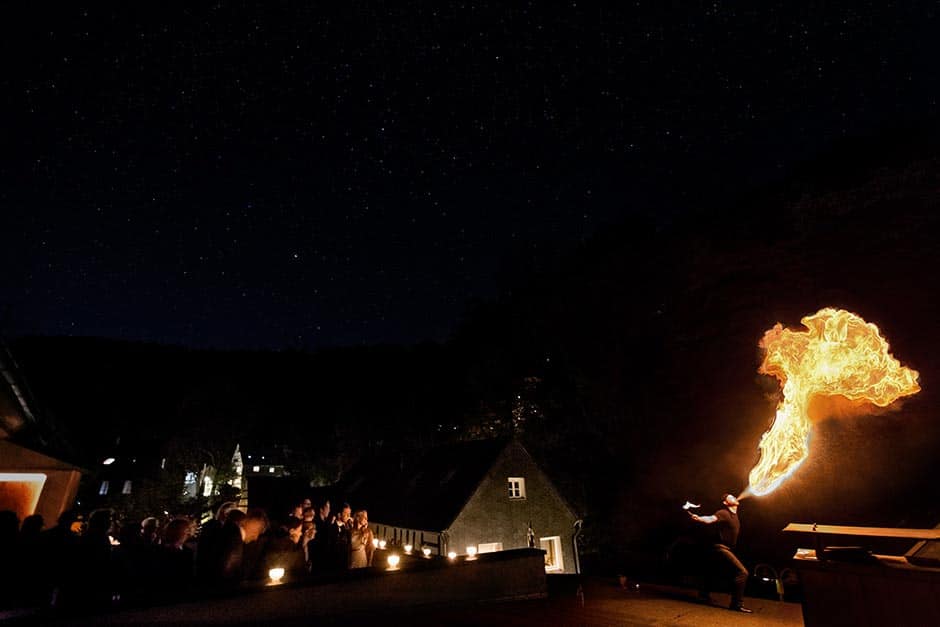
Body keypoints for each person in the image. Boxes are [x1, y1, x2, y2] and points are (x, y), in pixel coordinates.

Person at [688, 493, 752, 613]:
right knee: (742, 572)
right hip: (720, 548)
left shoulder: (735, 515)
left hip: (726, 548)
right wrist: (700, 518)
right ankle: (736, 604)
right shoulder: (724, 513)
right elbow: (711, 518)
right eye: (731, 497)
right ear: (725, 503)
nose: (734, 497)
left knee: (713, 571)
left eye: (734, 496)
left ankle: (703, 595)